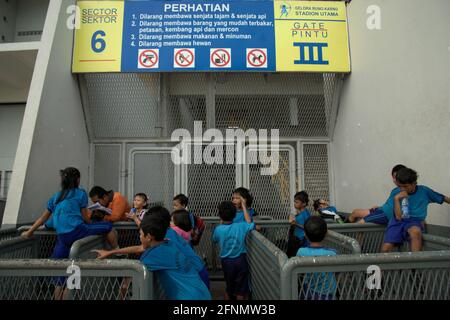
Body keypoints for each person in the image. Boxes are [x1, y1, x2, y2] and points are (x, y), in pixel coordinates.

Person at [22, 167, 118, 299]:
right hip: (77, 231)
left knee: (60, 275)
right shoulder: (80, 193)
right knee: (108, 226)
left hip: (62, 237)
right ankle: (117, 252)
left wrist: (29, 232)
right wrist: (92, 223)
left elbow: (43, 218)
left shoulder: (56, 197)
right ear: (78, 179)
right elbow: (85, 218)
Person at [93, 206, 210, 289]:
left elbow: (135, 269)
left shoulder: (165, 239)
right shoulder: (167, 234)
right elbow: (141, 247)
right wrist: (112, 251)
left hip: (195, 277)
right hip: (197, 276)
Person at [139, 213, 211, 300]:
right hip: (202, 292)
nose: (140, 237)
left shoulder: (152, 255)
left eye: (141, 234)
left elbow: (135, 270)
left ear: (149, 237)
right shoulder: (169, 243)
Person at [382, 167, 450, 252]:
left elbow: (442, 198)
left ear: (414, 183)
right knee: (386, 248)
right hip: (397, 222)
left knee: (415, 232)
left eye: (405, 186)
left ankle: (415, 263)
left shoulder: (424, 191)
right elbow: (398, 217)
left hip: (415, 221)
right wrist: (396, 199)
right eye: (400, 186)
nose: (402, 189)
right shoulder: (396, 192)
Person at [213, 199, 257, 300]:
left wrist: (221, 222)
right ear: (235, 215)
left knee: (229, 288)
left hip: (226, 261)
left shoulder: (218, 229)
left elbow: (215, 239)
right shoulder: (240, 226)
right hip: (240, 260)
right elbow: (249, 222)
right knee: (241, 290)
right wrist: (244, 206)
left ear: (220, 216)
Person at [297, 216, 338, 300]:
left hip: (308, 292)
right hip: (328, 294)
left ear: (305, 234)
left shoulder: (301, 252)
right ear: (326, 234)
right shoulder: (333, 253)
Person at [286, 191, 311, 258]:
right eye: (294, 201)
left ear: (304, 203)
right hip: (296, 241)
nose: (294, 204)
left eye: (297, 202)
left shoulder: (305, 214)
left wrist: (295, 223)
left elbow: (308, 227)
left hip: (301, 242)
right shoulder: (300, 213)